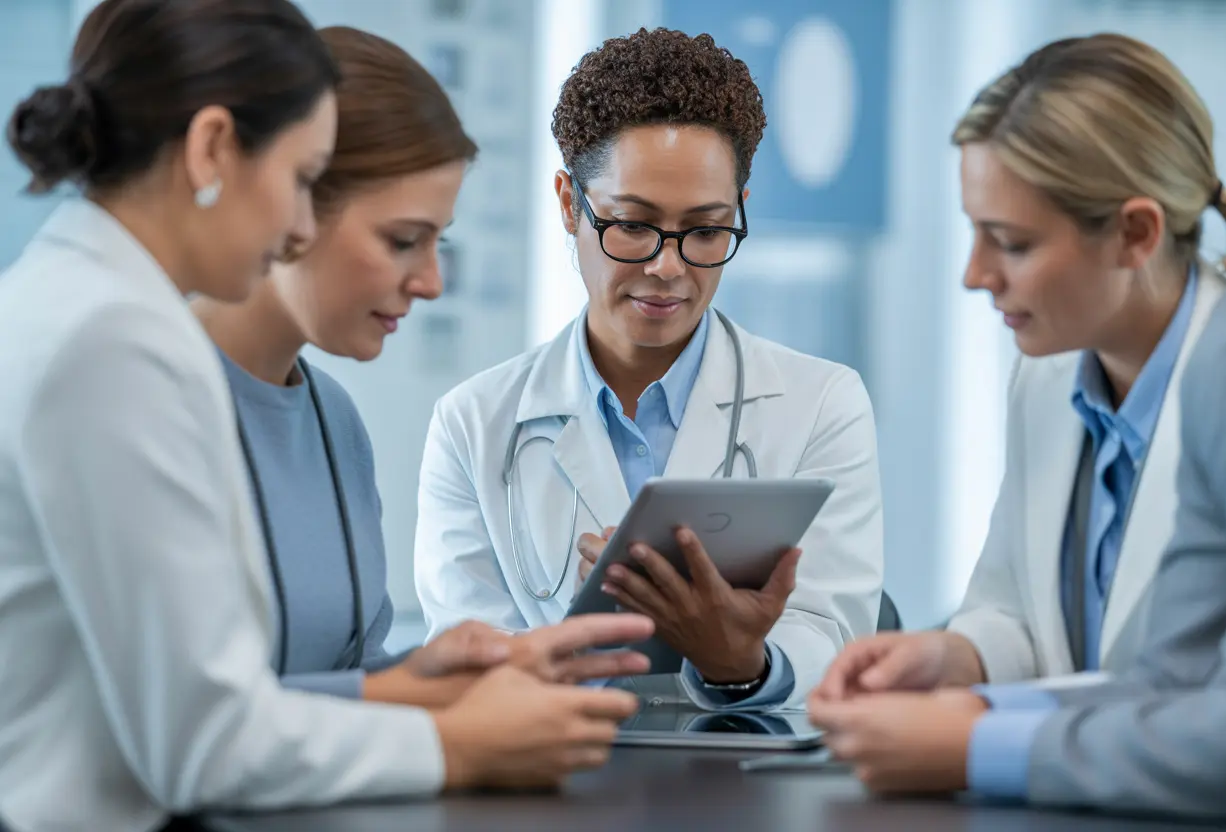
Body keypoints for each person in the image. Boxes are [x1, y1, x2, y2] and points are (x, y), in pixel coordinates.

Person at [0, 3, 646, 830]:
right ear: (211, 150)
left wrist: (423, 682)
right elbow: (207, 739)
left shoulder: (86, 302)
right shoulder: (113, 340)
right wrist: (458, 743)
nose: (298, 225)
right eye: (302, 180)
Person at [807, 33, 1226, 814]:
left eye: (1010, 242)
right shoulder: (1046, 373)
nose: (974, 274)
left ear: (1137, 234)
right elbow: (1020, 608)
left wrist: (972, 739)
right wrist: (958, 660)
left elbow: (1203, 705)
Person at [413, 26, 885, 710]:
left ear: (738, 215)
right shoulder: (473, 424)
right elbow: (466, 659)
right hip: (550, 786)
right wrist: (593, 641)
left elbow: (833, 636)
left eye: (704, 231)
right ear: (571, 204)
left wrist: (737, 659)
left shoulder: (821, 403)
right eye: (633, 225)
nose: (668, 268)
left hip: (745, 789)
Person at [192, 26, 648, 705]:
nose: (432, 282)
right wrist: (430, 712)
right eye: (404, 240)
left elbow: (350, 673)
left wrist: (473, 675)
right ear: (290, 198)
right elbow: (183, 723)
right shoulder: (145, 395)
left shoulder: (333, 421)